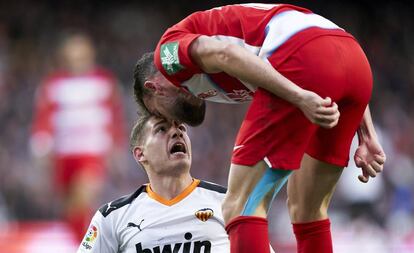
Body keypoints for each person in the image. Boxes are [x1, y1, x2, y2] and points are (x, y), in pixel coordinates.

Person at [133, 3, 386, 253]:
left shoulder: (167, 55)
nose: (173, 124)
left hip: (302, 56)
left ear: (153, 88)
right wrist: (367, 134)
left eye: (158, 113)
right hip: (353, 60)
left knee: (241, 205)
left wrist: (298, 96)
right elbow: (329, 59)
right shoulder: (204, 75)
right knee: (308, 209)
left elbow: (227, 54)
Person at [77, 114, 231, 253]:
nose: (177, 133)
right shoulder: (112, 217)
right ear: (140, 154)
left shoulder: (229, 201)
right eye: (162, 129)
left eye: (182, 127)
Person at [30, 33, 126, 241]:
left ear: (89, 54)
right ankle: (78, 241)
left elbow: (115, 115)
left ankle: (88, 244)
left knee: (82, 198)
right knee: (70, 207)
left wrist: (116, 144)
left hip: (92, 151)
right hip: (64, 153)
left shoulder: (104, 81)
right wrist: (41, 144)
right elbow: (44, 116)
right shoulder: (53, 84)